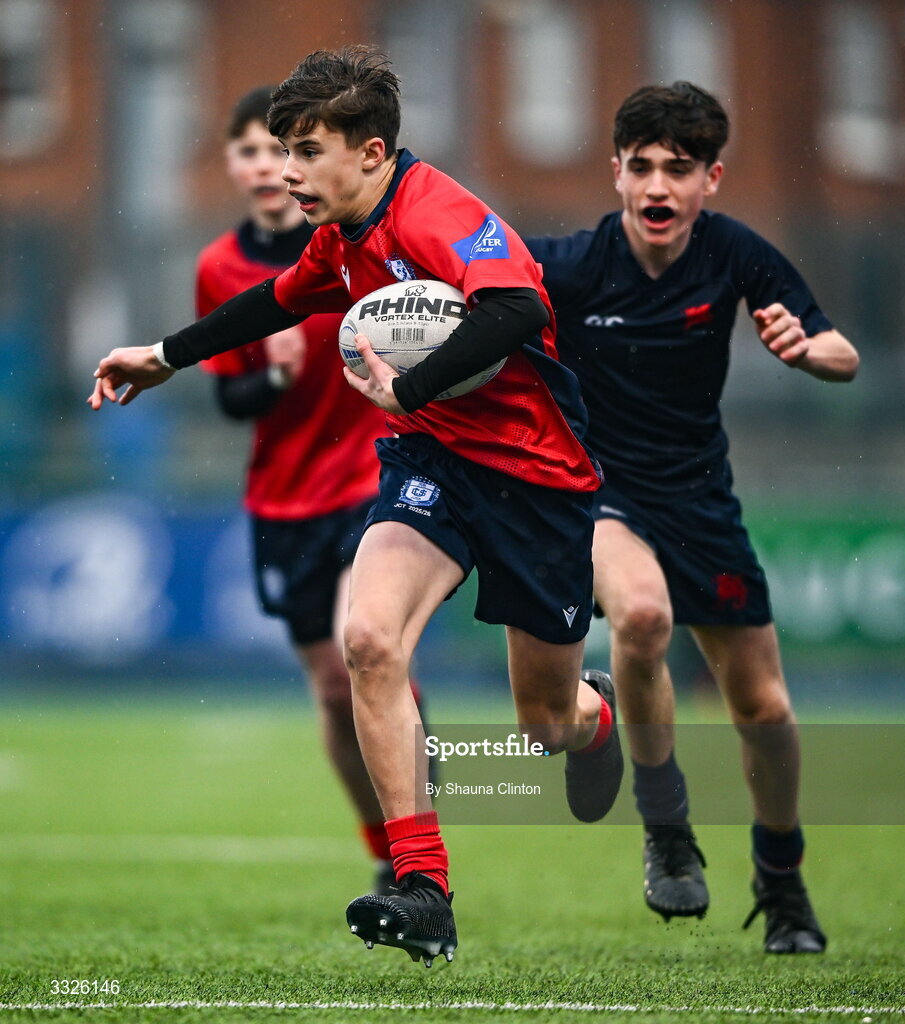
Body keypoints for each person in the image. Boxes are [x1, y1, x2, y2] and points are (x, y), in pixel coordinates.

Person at [88, 45, 623, 968]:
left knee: (544, 721)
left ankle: (596, 717)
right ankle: (424, 888)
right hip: (436, 463)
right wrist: (163, 356)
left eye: (305, 151)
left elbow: (514, 313)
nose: (287, 172)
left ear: (371, 154)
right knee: (369, 640)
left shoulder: (439, 211)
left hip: (537, 477)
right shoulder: (341, 239)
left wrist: (411, 387)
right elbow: (274, 301)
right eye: (280, 151)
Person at [525, 81, 859, 954]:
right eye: (641, 168)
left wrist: (805, 348)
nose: (658, 187)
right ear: (616, 173)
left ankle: (782, 882)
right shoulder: (567, 263)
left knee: (767, 712)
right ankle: (667, 829)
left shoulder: (737, 255)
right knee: (640, 616)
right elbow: (463, 274)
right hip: (602, 494)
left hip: (701, 500)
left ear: (713, 178)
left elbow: (843, 354)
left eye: (679, 169)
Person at [195, 85, 421, 894]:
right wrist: (276, 374)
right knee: (330, 690)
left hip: (373, 475)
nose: (270, 166)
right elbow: (229, 397)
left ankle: (417, 838)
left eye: (284, 150)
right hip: (285, 498)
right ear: (232, 162)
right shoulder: (220, 268)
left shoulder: (350, 239)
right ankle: (384, 842)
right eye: (253, 150)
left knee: (364, 648)